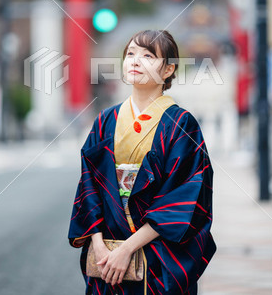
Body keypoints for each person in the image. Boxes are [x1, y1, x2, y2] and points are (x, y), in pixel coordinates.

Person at [68, 29, 216, 294]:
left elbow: (184, 198)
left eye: (148, 55)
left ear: (168, 69)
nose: (135, 61)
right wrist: (99, 245)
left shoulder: (181, 124)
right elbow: (89, 187)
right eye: (130, 54)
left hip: (158, 253)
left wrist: (127, 249)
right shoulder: (105, 121)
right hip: (107, 251)